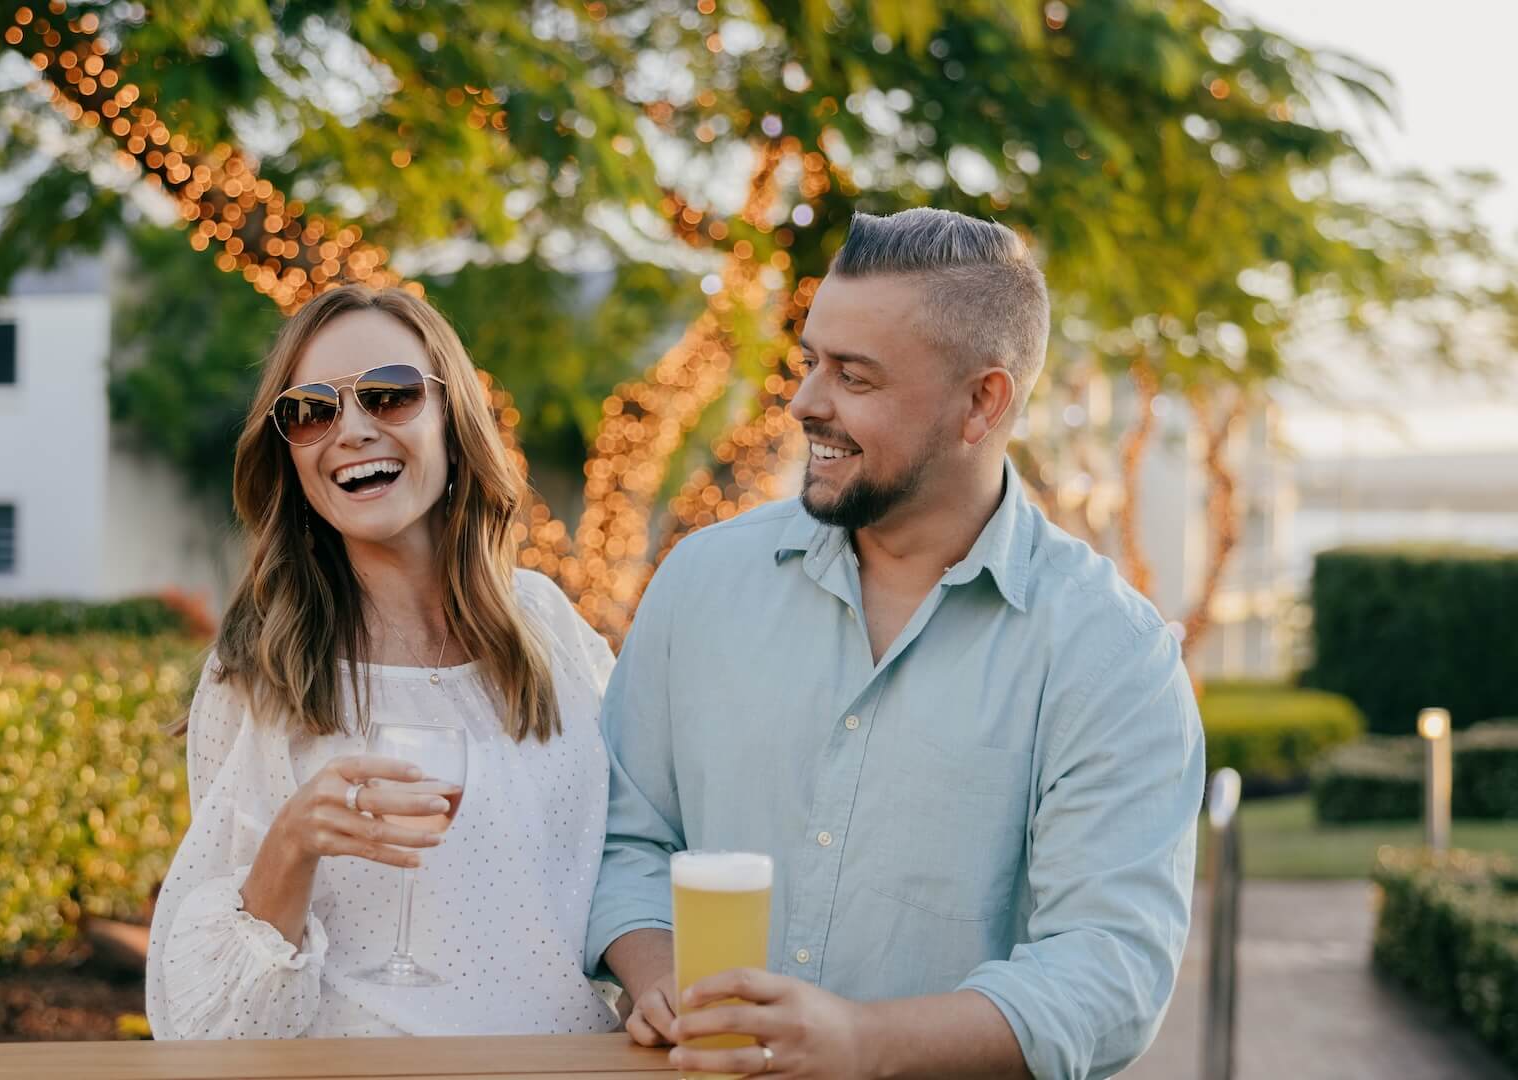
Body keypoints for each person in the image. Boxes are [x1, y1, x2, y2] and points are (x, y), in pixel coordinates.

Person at [587, 208, 1206, 1079]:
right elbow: (620, 834)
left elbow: (1110, 971)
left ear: (980, 403)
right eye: (811, 362)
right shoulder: (700, 583)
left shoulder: (1112, 655)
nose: (806, 402)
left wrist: (862, 1045)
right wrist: (657, 973)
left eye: (856, 377)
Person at [147, 285, 620, 1040]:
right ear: (291, 454)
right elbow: (211, 1023)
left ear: (454, 423)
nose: (353, 430)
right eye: (311, 410)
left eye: (390, 396)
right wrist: (295, 841)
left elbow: (631, 858)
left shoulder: (549, 629)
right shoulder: (260, 673)